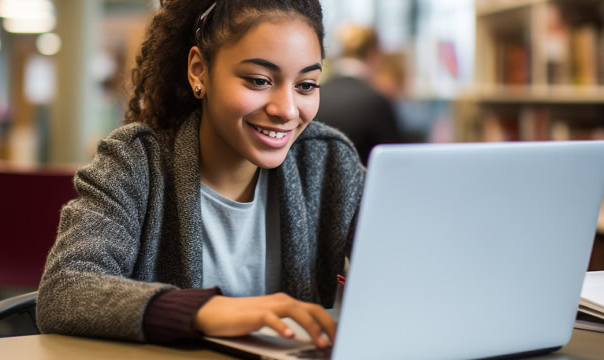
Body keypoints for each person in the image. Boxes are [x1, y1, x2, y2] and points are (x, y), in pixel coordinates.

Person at [36, 0, 364, 348]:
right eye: (258, 80)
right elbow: (65, 289)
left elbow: (408, 272)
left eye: (306, 85)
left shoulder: (329, 162)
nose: (286, 109)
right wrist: (206, 311)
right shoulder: (136, 162)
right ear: (199, 71)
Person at [317, 24, 403, 165]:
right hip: (365, 185)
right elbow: (396, 160)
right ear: (373, 53)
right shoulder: (375, 102)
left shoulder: (315, 96)